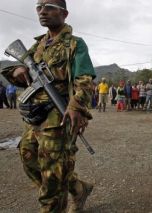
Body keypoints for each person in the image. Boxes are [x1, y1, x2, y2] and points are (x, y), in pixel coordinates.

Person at [1, 1, 95, 212]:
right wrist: (16, 70)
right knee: (29, 160)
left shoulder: (75, 44)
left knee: (53, 175)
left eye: (49, 6)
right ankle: (78, 188)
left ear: (64, 13)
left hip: (58, 116)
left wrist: (76, 107)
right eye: (39, 7)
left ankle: (53, 202)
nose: (42, 11)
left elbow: (85, 79)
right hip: (34, 116)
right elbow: (22, 68)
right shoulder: (38, 46)